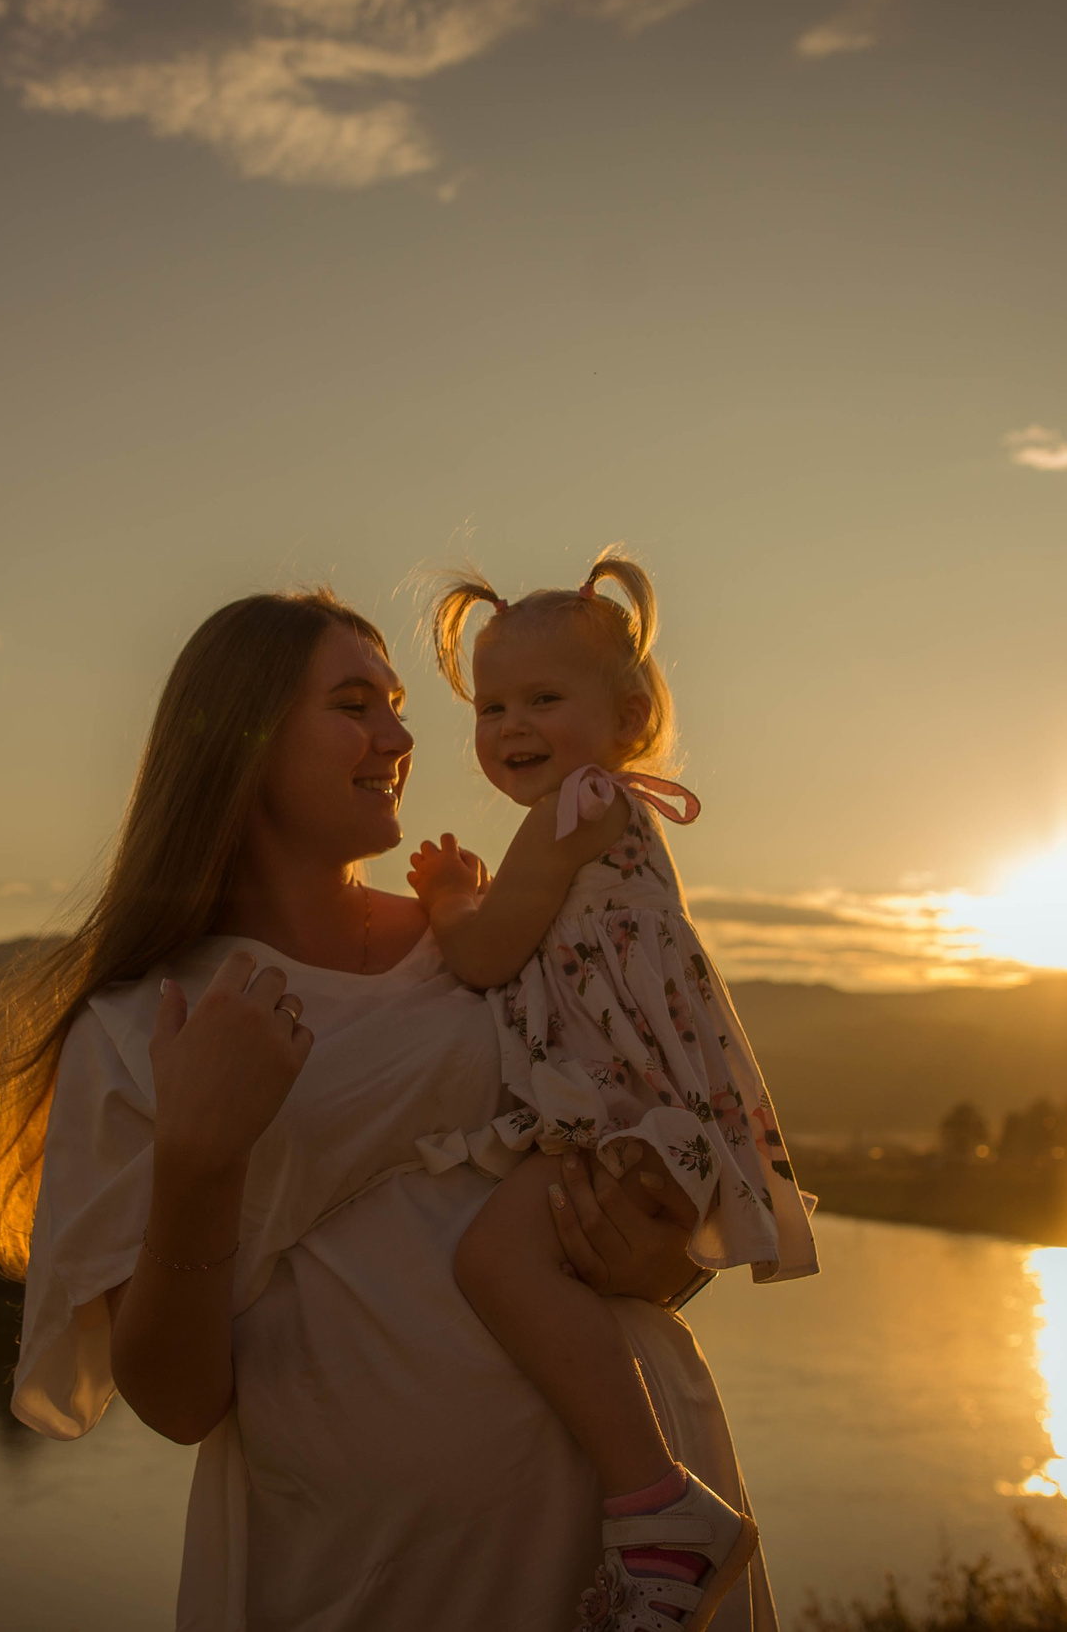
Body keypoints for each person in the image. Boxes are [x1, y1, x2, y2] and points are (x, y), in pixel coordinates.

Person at [0, 589, 777, 1630]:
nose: (402, 737)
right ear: (240, 741)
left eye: (398, 705)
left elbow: (642, 1162)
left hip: (641, 1563)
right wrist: (197, 1155)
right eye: (357, 704)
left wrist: (657, 1258)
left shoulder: (491, 937)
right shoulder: (142, 1028)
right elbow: (176, 1403)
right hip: (367, 1573)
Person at [408, 549, 817, 1631]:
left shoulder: (572, 812)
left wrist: (453, 898)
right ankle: (626, 1519)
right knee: (557, 1270)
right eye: (491, 705)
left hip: (619, 1111)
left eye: (545, 697)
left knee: (494, 1257)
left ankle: (658, 1505)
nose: (510, 724)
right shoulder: (597, 814)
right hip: (643, 1110)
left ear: (629, 714)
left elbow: (489, 953)